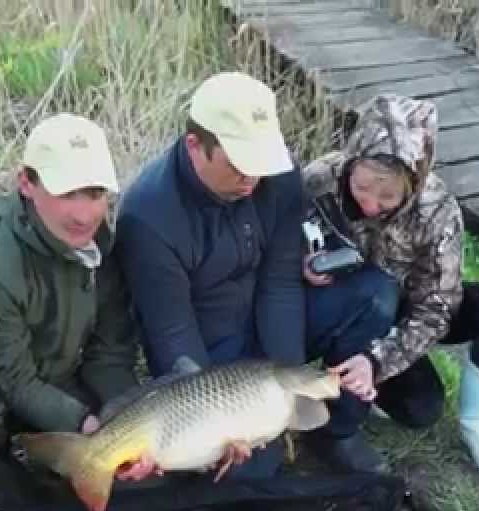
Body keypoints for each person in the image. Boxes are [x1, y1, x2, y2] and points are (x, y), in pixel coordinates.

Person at [0, 113, 155, 511]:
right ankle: (15, 492)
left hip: (59, 379)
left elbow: (111, 351)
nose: (84, 213)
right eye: (67, 193)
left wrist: (124, 421)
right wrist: (86, 425)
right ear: (26, 183)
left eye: (96, 193)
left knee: (138, 468)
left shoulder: (101, 244)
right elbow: (11, 376)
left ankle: (62, 466)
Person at [115, 71, 325, 479]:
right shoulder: (147, 215)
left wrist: (289, 381)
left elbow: (281, 281)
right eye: (238, 166)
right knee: (249, 469)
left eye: (260, 165)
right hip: (210, 343)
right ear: (195, 146)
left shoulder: (276, 173)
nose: (253, 179)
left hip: (267, 316)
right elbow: (171, 333)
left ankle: (338, 433)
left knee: (368, 298)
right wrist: (218, 420)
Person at [300, 94, 479, 473]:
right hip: (340, 300)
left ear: (415, 182)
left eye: (388, 196)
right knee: (376, 296)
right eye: (361, 188)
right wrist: (300, 265)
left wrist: (378, 358)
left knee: (425, 405)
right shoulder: (318, 179)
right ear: (350, 164)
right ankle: (333, 415)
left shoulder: (438, 210)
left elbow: (438, 305)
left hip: (402, 310)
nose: (371, 204)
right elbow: (277, 246)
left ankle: (478, 424)